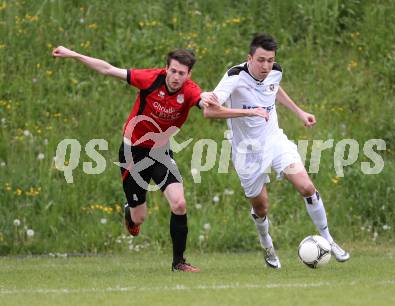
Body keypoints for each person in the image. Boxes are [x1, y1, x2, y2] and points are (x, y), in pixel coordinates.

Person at [52, 46, 267, 272]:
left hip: (160, 153)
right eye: (173, 71)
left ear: (189, 75)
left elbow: (205, 102)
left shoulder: (190, 91)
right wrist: (74, 55)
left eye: (181, 73)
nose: (176, 77)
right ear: (166, 69)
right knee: (139, 217)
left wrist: (213, 100)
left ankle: (179, 262)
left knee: (180, 203)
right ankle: (131, 212)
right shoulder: (150, 79)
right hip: (132, 154)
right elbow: (107, 69)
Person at [202, 33, 350, 269]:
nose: (265, 66)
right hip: (246, 152)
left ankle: (329, 240)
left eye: (270, 60)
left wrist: (300, 112)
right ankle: (266, 244)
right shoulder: (234, 76)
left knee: (307, 187)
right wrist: (250, 112)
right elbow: (210, 111)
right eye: (260, 60)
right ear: (249, 58)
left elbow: (275, 89)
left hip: (275, 141)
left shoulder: (275, 71)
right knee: (261, 208)